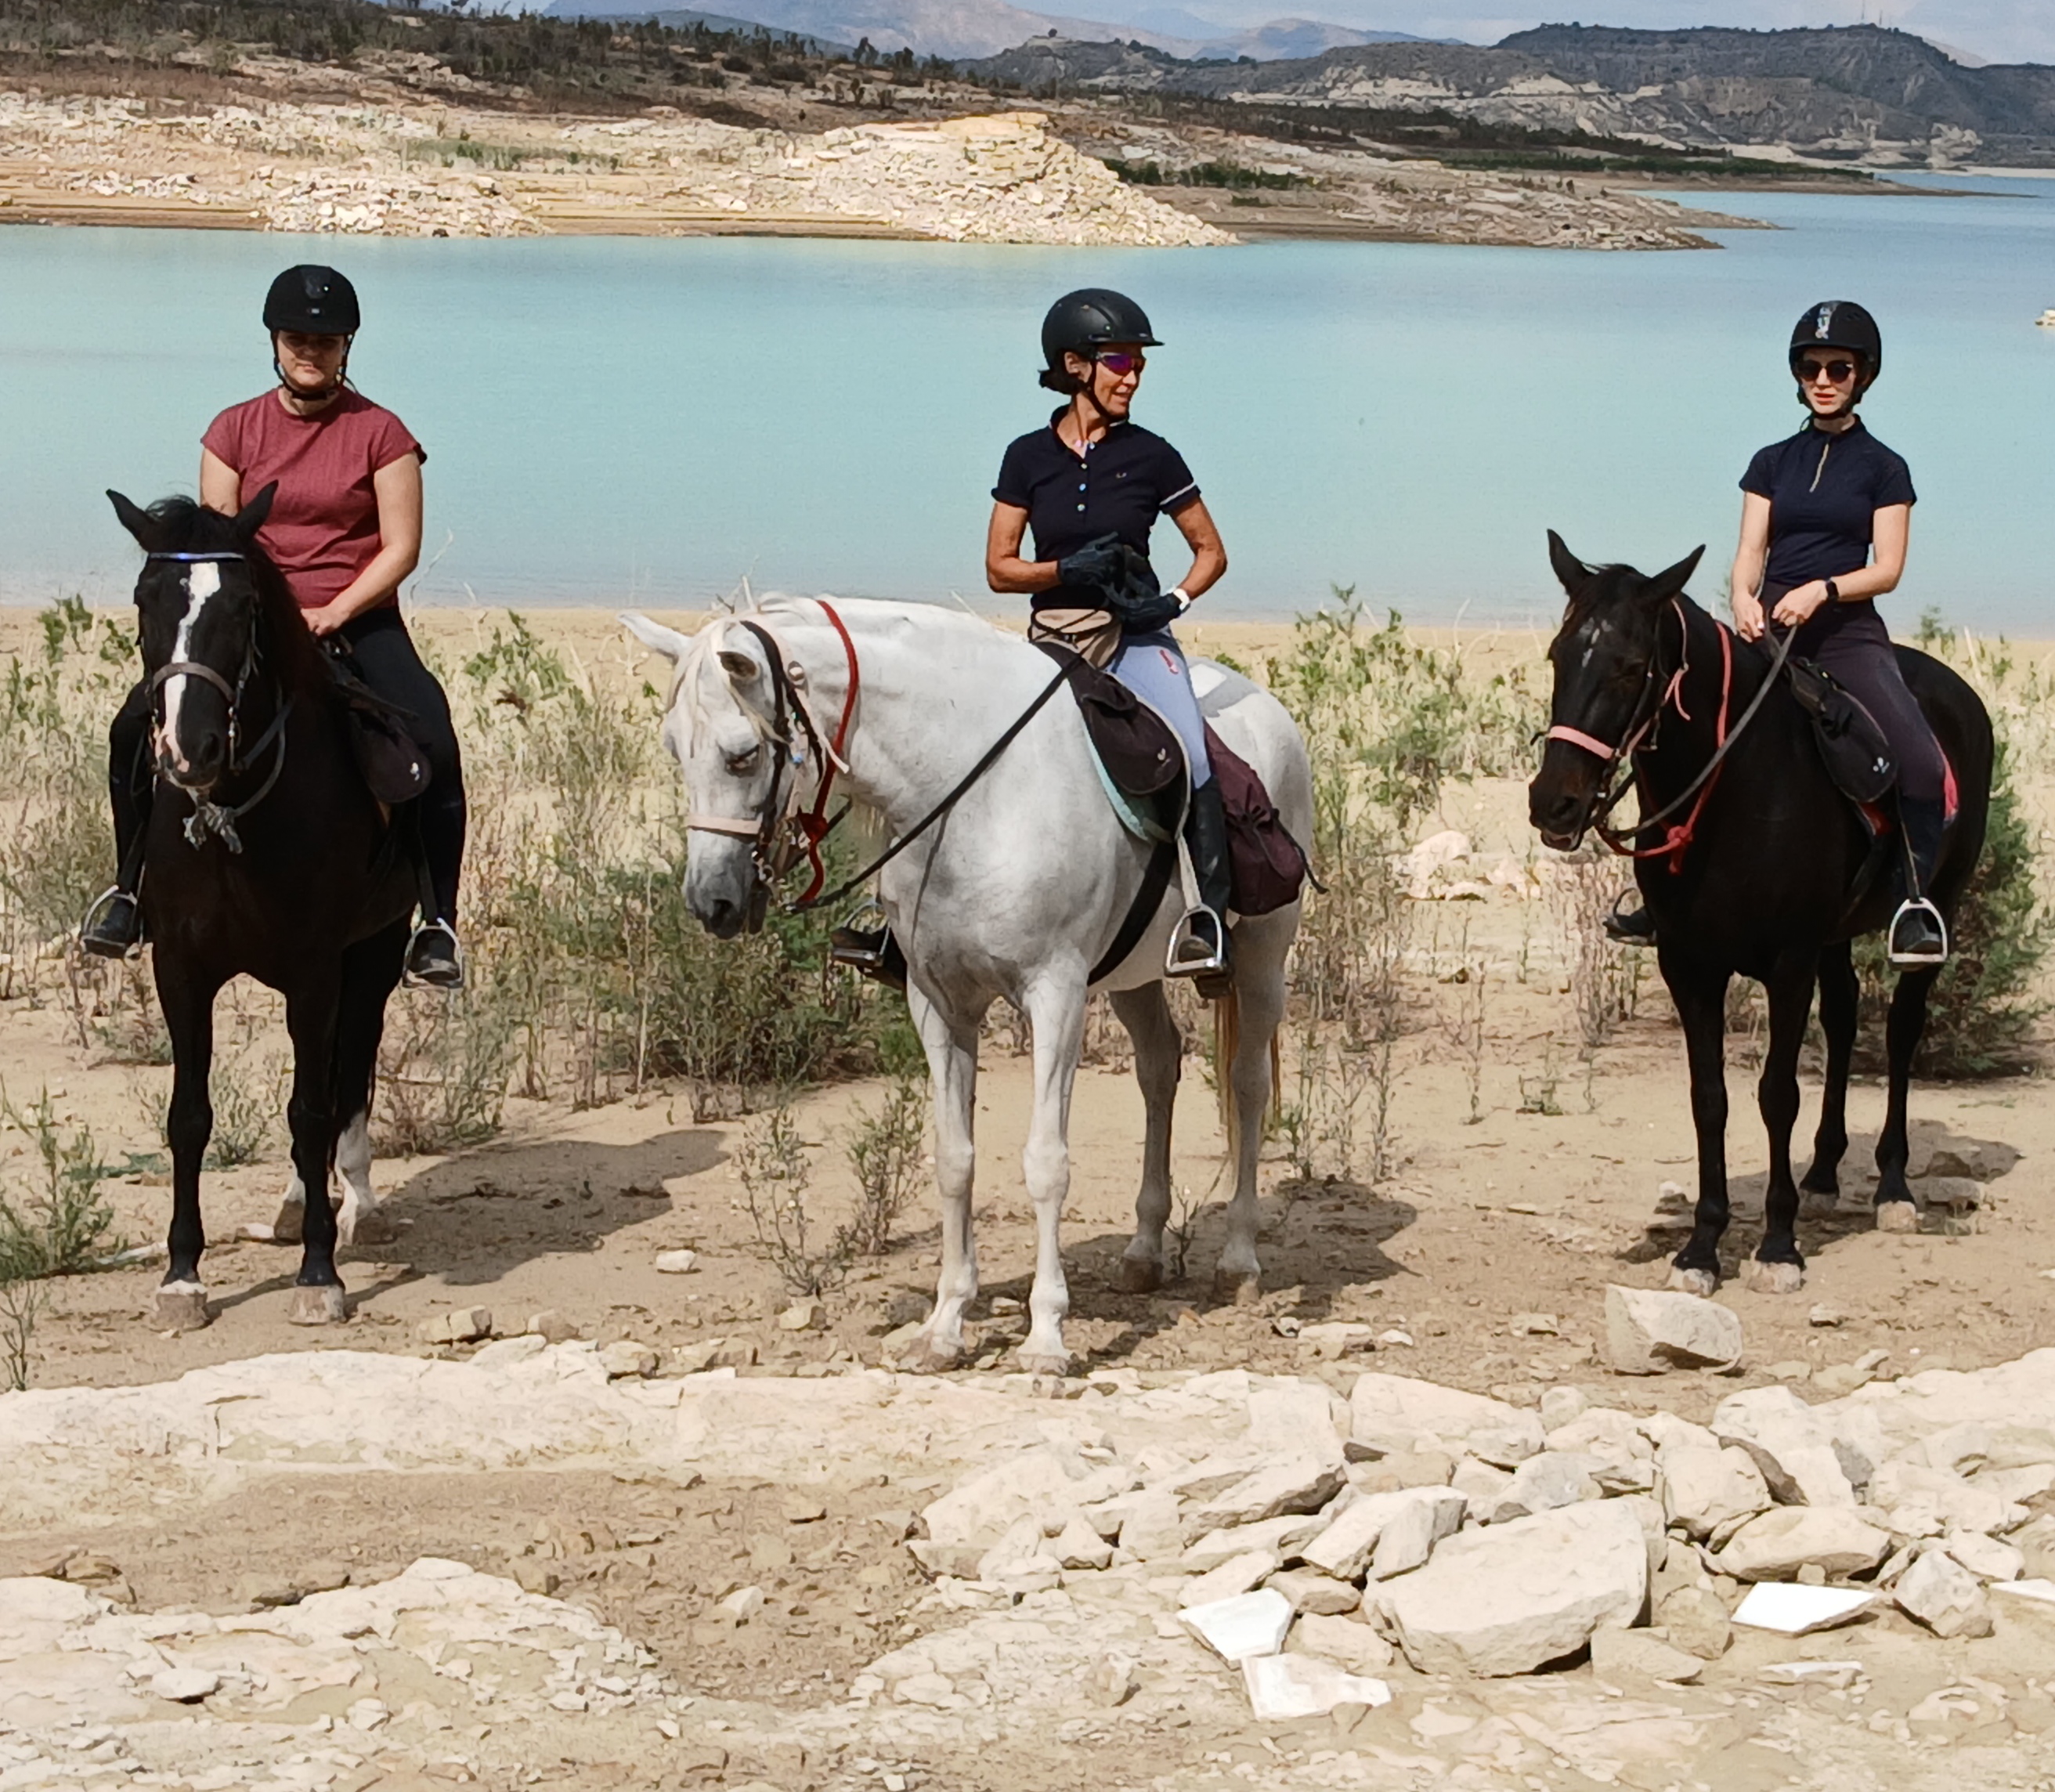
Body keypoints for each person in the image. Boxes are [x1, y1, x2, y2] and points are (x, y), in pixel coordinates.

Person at [81, 264, 468, 988]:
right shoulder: (233, 430)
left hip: (354, 616)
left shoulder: (383, 434)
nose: (309, 352)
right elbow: (217, 546)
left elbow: (401, 547)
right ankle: (130, 892)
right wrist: (268, 615)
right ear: (275, 341)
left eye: (324, 341)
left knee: (431, 730)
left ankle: (437, 921)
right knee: (133, 728)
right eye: (297, 338)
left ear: (346, 346)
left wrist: (334, 610)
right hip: (250, 619)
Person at [1607, 299, 1948, 966]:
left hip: (1846, 638)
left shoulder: (1885, 469)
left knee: (1922, 764)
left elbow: (1888, 569)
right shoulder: (1770, 462)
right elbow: (1749, 550)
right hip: (1765, 633)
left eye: (1839, 368)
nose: (1823, 379)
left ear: (1864, 376)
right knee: (1680, 734)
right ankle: (1667, 893)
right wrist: (1742, 595)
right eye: (1811, 367)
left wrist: (1822, 591)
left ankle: (1914, 904)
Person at [992, 287, 1232, 988]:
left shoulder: (1154, 457)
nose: (1132, 376)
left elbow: (1211, 552)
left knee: (1191, 750)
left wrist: (1172, 599)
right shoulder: (1027, 458)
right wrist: (1065, 568)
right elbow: (999, 568)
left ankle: (1207, 920)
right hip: (1052, 636)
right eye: (1119, 361)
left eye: (1137, 365)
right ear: (1074, 366)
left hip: (1136, 636)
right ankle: (907, 928)